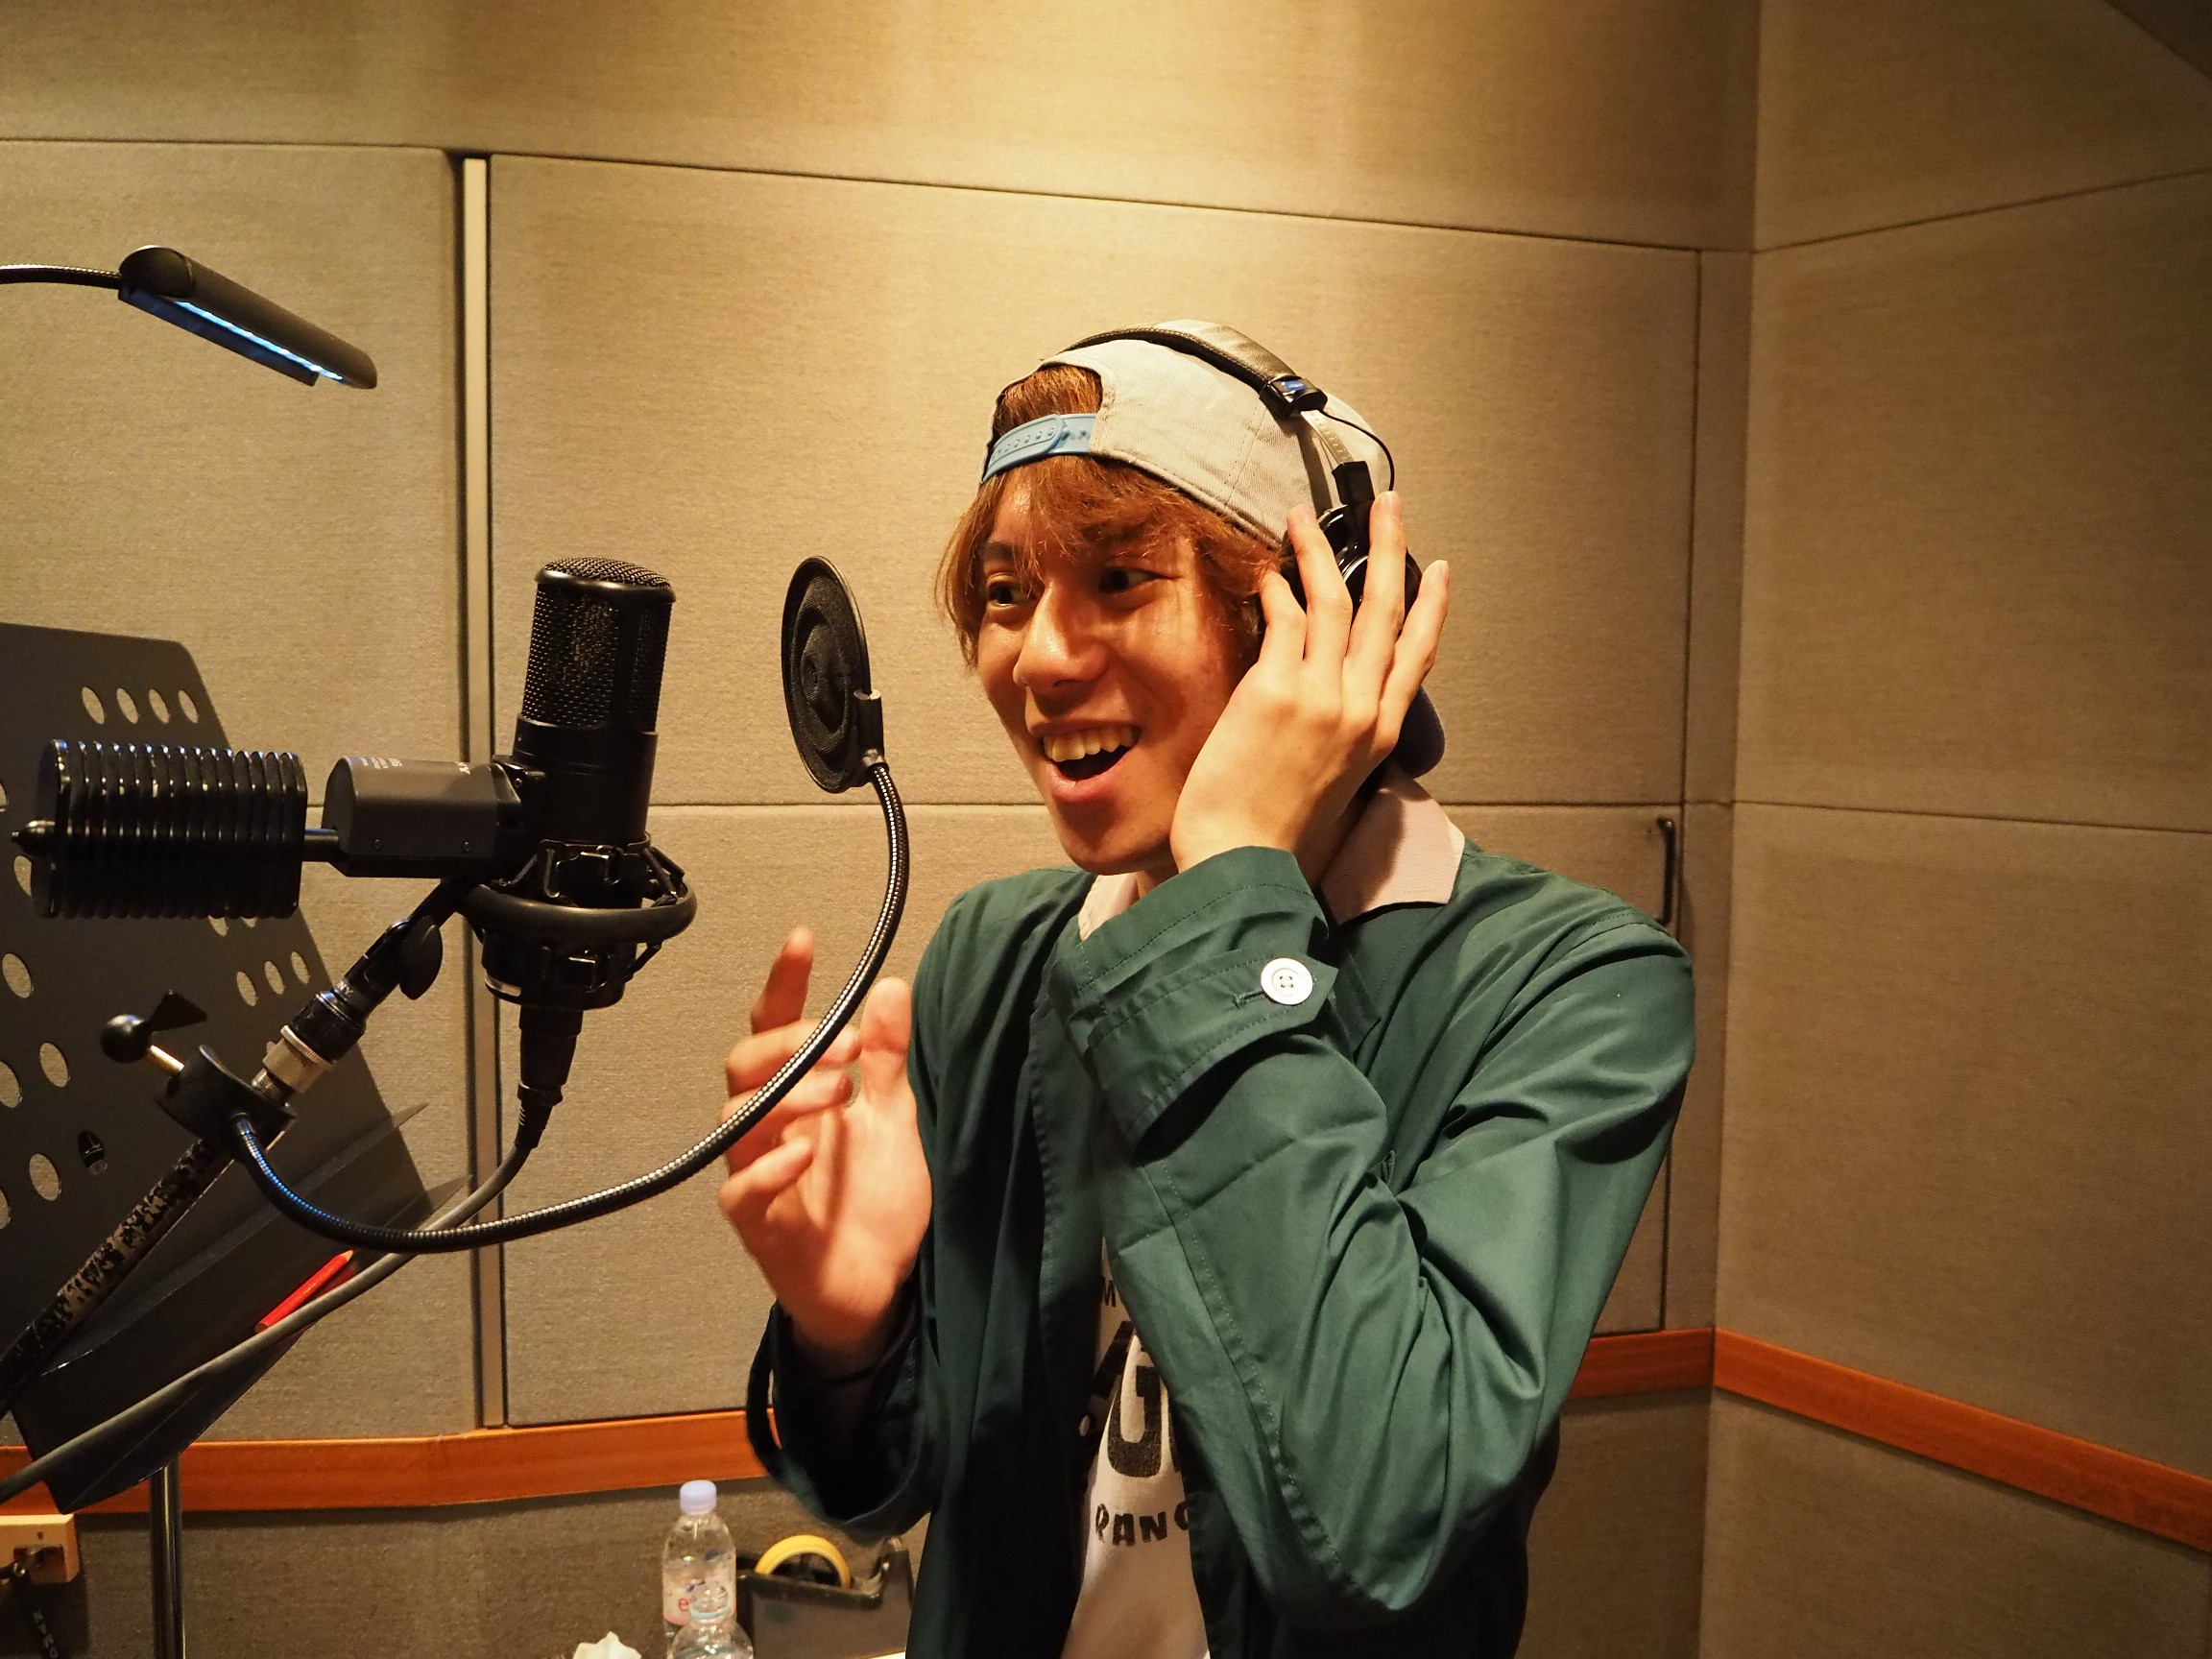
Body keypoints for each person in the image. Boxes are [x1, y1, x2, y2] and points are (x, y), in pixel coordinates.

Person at [717, 325, 1695, 1658]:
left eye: (1120, 578)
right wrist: (849, 1334)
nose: (1038, 659)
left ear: (1319, 611)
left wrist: (1231, 882)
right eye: (1005, 594)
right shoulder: (995, 959)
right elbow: (914, 1477)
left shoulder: (1567, 988)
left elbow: (1377, 1524)